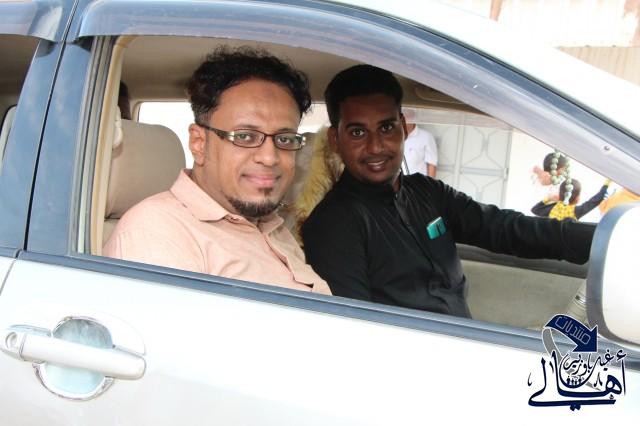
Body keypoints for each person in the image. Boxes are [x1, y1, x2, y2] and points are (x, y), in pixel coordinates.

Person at [301, 64, 594, 317]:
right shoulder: (332, 225)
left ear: (403, 127)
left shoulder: (426, 191)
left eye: (386, 128)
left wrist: (602, 240)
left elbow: (503, 228)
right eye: (357, 132)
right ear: (335, 140)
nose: (376, 146)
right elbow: (356, 330)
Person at [104, 47, 330, 295]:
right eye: (245, 136)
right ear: (199, 143)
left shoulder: (271, 226)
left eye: (284, 139)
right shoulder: (157, 234)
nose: (269, 157)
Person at [531, 179, 610, 220]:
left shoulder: (552, 209)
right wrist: (606, 184)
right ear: (577, 199)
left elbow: (535, 210)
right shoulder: (576, 211)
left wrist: (548, 198)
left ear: (559, 195)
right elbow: (595, 200)